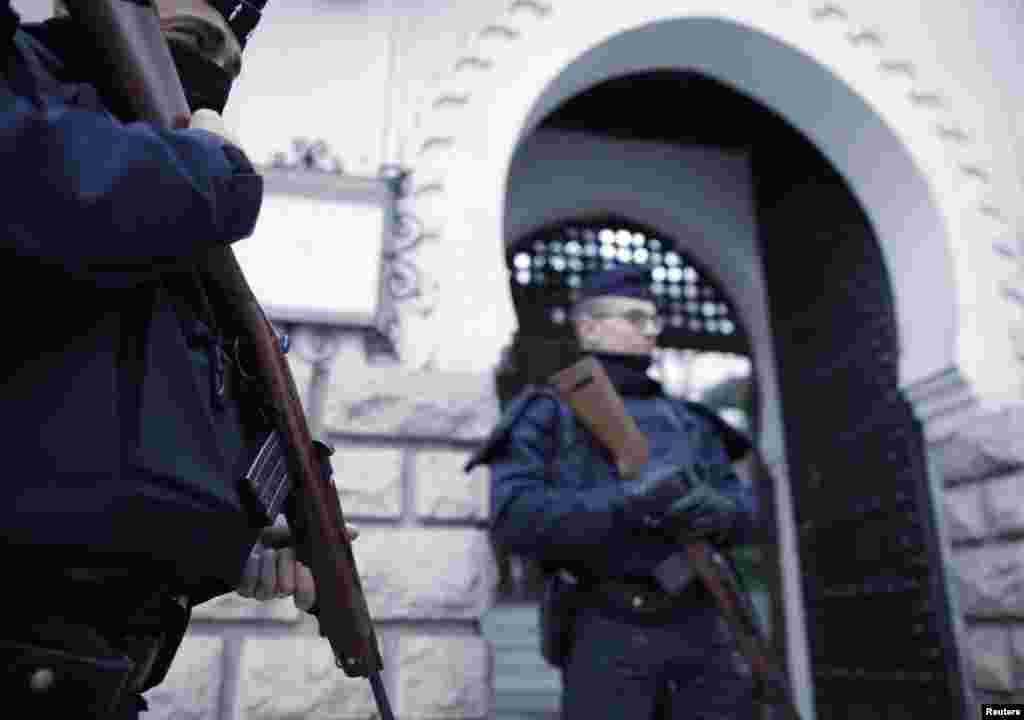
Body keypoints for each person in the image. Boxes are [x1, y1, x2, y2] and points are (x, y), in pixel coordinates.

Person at [0, 1, 334, 716]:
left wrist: (236, 534)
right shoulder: (28, 84)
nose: (214, 74)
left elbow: (123, 431)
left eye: (230, 61)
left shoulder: (172, 225)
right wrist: (211, 175)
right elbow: (39, 185)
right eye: (190, 40)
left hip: (96, 680)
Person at [468, 265, 759, 719]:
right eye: (635, 317)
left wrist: (721, 512)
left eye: (653, 319)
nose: (651, 329)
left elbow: (747, 511)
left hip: (703, 628)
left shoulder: (691, 421)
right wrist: (625, 505)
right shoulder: (546, 414)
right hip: (605, 626)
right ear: (588, 328)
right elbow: (514, 517)